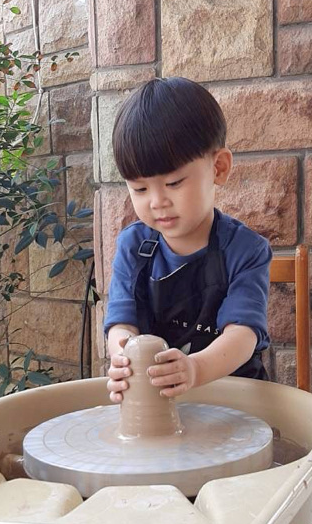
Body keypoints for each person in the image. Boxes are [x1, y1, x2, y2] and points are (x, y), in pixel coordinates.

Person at [106, 76, 272, 404]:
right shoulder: (133, 247)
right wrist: (123, 358)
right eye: (140, 188)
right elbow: (121, 323)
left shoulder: (246, 251)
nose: (157, 202)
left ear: (218, 168)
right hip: (160, 401)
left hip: (236, 401)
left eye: (174, 183)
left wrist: (194, 369)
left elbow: (242, 336)